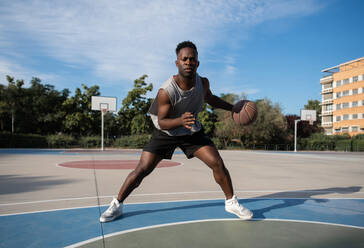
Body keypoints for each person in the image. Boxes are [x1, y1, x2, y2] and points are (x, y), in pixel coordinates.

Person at [99, 41, 253, 222]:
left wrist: (232, 108)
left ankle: (231, 202)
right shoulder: (166, 91)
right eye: (184, 59)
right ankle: (117, 205)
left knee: (216, 162)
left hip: (190, 130)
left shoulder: (202, 83)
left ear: (198, 63)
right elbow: (162, 122)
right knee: (142, 170)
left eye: (192, 59)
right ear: (177, 62)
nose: (188, 62)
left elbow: (210, 98)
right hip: (165, 132)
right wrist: (180, 120)